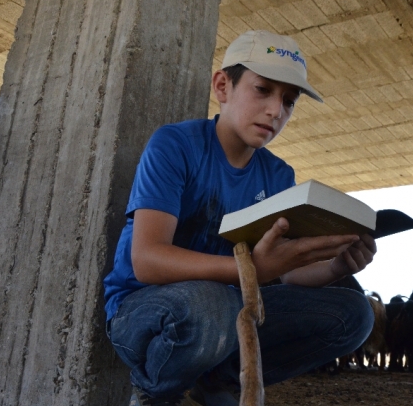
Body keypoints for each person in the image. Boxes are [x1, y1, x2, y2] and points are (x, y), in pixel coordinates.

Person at [103, 30, 376, 406]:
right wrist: (251, 271)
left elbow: (284, 272)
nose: (276, 111)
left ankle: (218, 378)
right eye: (263, 89)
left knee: (354, 313)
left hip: (230, 309)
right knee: (210, 305)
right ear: (222, 86)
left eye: (289, 101)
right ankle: (154, 392)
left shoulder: (279, 176)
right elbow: (147, 261)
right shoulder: (175, 145)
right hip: (147, 311)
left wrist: (337, 266)